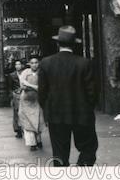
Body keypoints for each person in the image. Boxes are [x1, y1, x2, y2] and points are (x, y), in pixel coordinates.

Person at [38, 25, 99, 167]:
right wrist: (88, 108)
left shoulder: (46, 63)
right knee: (88, 148)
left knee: (59, 154)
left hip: (56, 115)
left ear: (58, 43)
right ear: (74, 44)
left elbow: (42, 93)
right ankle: (81, 173)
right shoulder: (84, 63)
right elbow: (93, 92)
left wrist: (48, 110)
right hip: (82, 115)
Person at [18, 57, 46, 151]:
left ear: (39, 63)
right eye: (32, 63)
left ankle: (39, 140)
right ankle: (32, 143)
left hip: (37, 100)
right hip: (26, 100)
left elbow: (43, 87)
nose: (34, 64)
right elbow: (23, 86)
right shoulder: (25, 72)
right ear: (29, 64)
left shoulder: (42, 72)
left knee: (38, 120)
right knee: (28, 122)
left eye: (36, 62)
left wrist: (29, 85)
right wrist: (35, 87)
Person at [8, 60, 25, 138]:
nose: (18, 66)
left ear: (22, 65)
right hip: (16, 95)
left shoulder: (25, 74)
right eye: (16, 64)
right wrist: (13, 95)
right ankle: (18, 130)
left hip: (25, 95)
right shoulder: (12, 75)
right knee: (16, 113)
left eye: (19, 64)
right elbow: (10, 87)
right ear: (14, 66)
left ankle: (25, 128)